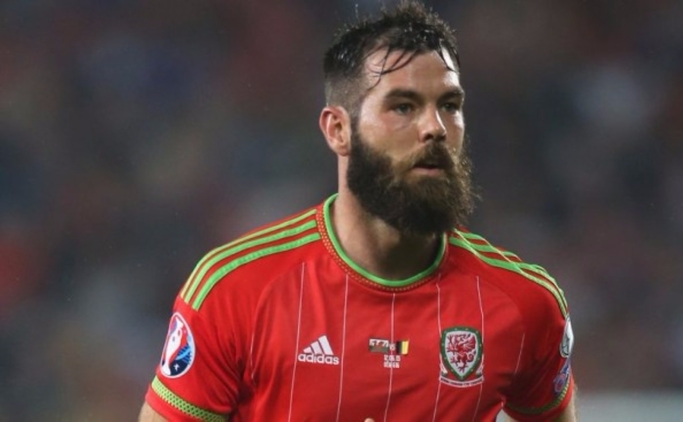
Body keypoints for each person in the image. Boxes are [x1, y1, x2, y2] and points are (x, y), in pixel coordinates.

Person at [139, 1, 577, 421]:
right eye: (403, 107)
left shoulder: (525, 304)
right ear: (338, 130)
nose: (435, 128)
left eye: (449, 105)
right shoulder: (233, 292)